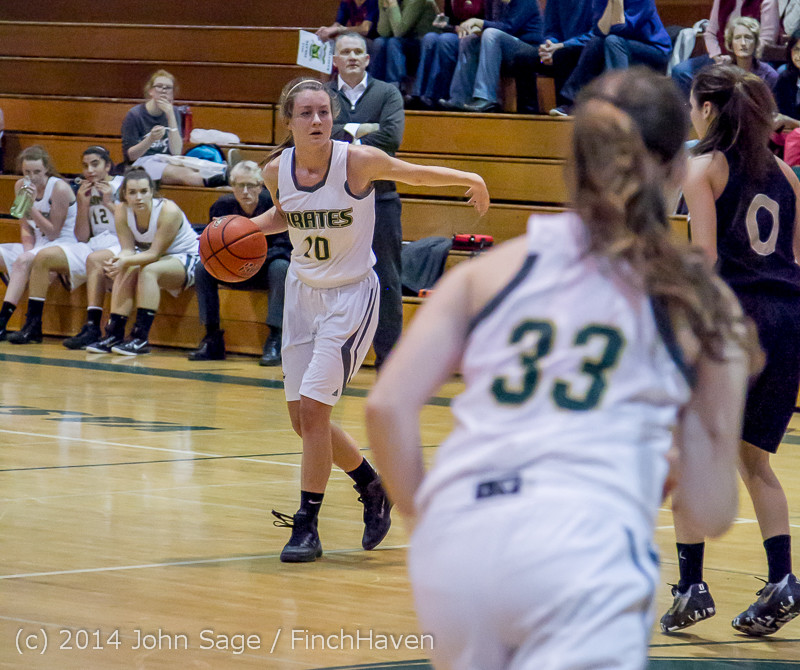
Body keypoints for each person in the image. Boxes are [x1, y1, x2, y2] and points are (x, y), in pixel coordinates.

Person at [365, 67, 752, 668]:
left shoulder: (492, 271)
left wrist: (425, 519)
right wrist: (678, 453)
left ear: (572, 167)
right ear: (678, 168)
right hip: (583, 545)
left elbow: (386, 408)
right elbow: (709, 509)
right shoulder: (698, 302)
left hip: (460, 541)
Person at [255, 77, 489, 563]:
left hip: (351, 298)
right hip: (302, 297)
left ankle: (306, 525)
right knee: (302, 421)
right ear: (289, 121)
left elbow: (415, 174)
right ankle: (372, 485)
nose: (318, 121)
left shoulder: (356, 161)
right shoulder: (275, 171)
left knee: (316, 411)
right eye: (307, 114)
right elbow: (287, 216)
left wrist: (471, 178)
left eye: (324, 112)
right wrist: (236, 232)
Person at [660, 65, 800, 637]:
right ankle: (783, 580)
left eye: (694, 103)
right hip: (788, 320)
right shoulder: (789, 177)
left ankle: (692, 586)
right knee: (755, 462)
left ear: (710, 110)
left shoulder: (703, 168)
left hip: (736, 321)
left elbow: (709, 261)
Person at [330, 32, 406, 369]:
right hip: (335, 200)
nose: (352, 57)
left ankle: (389, 358)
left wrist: (344, 131)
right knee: (336, 276)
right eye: (345, 52)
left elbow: (391, 137)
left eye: (358, 52)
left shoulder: (388, 93)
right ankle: (336, 352)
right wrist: (363, 130)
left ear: (367, 58)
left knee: (387, 278)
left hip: (382, 198)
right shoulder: (323, 96)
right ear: (335, 60)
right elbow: (315, 138)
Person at [9, 147, 124, 346]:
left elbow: (135, 226)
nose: (90, 170)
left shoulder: (123, 185)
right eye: (85, 165)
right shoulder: (83, 190)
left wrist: (109, 203)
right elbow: (81, 236)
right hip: (93, 243)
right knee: (42, 257)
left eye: (95, 164)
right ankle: (33, 325)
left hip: (122, 242)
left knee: (94, 260)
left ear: (108, 165)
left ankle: (92, 327)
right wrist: (83, 204)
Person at [85, 168, 199, 356]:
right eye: (132, 192)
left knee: (148, 271)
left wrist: (125, 262)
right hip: (157, 258)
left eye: (143, 192)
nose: (139, 197)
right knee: (127, 267)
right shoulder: (121, 210)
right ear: (124, 195)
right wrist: (118, 262)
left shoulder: (168, 211)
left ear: (152, 192)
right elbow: (128, 250)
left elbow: (154, 254)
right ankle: (114, 333)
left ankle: (140, 338)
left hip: (187, 257)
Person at [188, 161, 291, 365]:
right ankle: (212, 337)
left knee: (281, 267)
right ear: (232, 186)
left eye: (251, 185)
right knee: (203, 268)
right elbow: (214, 246)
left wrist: (253, 259)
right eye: (240, 185)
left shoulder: (274, 206)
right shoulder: (221, 207)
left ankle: (275, 338)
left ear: (261, 186)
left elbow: (285, 248)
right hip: (234, 271)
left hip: (265, 270)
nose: (245, 191)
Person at [0, 145, 76, 340]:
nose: (32, 177)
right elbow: (25, 227)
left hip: (63, 243)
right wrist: (28, 250)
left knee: (25, 261)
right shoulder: (20, 186)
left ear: (46, 170)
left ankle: (3, 322)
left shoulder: (58, 188)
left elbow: (53, 232)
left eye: (37, 172)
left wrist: (31, 205)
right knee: (22, 259)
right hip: (38, 243)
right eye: (27, 172)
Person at [550, 0, 672, 116]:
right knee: (596, 42)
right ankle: (573, 101)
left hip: (654, 50)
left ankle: (617, 102)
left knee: (612, 41)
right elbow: (600, 30)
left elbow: (621, 28)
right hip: (623, 46)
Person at [121, 70, 230, 188]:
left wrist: (171, 116)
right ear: (150, 91)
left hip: (167, 160)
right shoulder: (135, 115)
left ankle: (228, 176)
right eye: (159, 86)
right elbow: (131, 156)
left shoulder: (174, 112)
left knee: (198, 166)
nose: (163, 90)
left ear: (172, 94)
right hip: (140, 165)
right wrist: (150, 139)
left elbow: (176, 151)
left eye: (168, 88)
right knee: (183, 174)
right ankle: (222, 180)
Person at [439, 0, 544, 112]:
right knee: (469, 39)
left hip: (527, 49)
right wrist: (475, 30)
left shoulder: (524, 2)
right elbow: (493, 26)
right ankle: (459, 98)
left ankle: (486, 98)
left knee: (490, 34)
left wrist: (479, 23)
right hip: (500, 44)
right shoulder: (492, 2)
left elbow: (509, 27)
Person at [670, 0, 779, 98]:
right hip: (720, 55)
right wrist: (717, 56)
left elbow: (766, 40)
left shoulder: (767, 1)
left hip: (753, 55)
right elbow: (710, 33)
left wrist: (743, 52)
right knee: (680, 71)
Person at [511, 0, 593, 113]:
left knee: (563, 55)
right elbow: (551, 30)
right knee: (523, 57)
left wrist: (562, 45)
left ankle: (565, 106)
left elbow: (596, 34)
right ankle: (528, 113)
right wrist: (548, 46)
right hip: (555, 51)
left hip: (585, 52)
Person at [405, 0, 486, 110]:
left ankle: (435, 95)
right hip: (455, 34)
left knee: (445, 40)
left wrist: (467, 28)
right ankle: (418, 94)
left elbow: (486, 19)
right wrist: (448, 25)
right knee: (430, 38)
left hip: (474, 36)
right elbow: (450, 22)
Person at [370, 0, 438, 90]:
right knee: (379, 42)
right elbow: (384, 32)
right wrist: (386, 7)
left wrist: (393, 4)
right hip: (403, 40)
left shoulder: (415, 1)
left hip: (422, 42)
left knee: (393, 42)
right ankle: (373, 86)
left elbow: (399, 31)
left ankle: (396, 86)